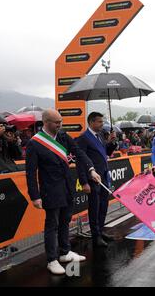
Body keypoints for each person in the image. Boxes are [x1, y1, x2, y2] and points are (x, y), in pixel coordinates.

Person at [25, 109, 102, 275]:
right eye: (56, 122)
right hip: (50, 189)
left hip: (67, 187)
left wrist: (91, 170)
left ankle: (65, 252)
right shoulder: (35, 143)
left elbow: (79, 152)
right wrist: (35, 196)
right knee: (52, 224)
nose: (60, 125)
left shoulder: (62, 136)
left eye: (61, 121)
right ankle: (52, 259)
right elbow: (30, 172)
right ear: (46, 122)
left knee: (66, 220)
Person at [76, 112, 118, 248]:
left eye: (102, 121)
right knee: (95, 208)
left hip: (103, 177)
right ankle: (96, 236)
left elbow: (105, 152)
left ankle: (100, 230)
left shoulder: (100, 136)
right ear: (91, 122)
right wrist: (84, 182)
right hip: (92, 178)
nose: (102, 124)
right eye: (99, 122)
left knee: (103, 206)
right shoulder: (83, 138)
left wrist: (112, 142)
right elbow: (80, 161)